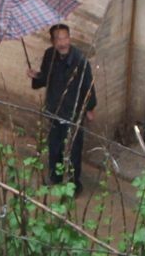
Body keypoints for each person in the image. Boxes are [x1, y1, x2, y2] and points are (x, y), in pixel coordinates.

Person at [30, 23, 97, 189]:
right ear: (53, 41)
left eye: (65, 37)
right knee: (54, 145)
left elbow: (88, 86)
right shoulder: (49, 55)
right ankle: (55, 177)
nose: (63, 42)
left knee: (73, 149)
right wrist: (36, 76)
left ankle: (73, 184)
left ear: (70, 38)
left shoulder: (80, 60)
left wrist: (89, 108)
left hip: (72, 111)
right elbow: (45, 78)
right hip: (54, 108)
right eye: (58, 39)